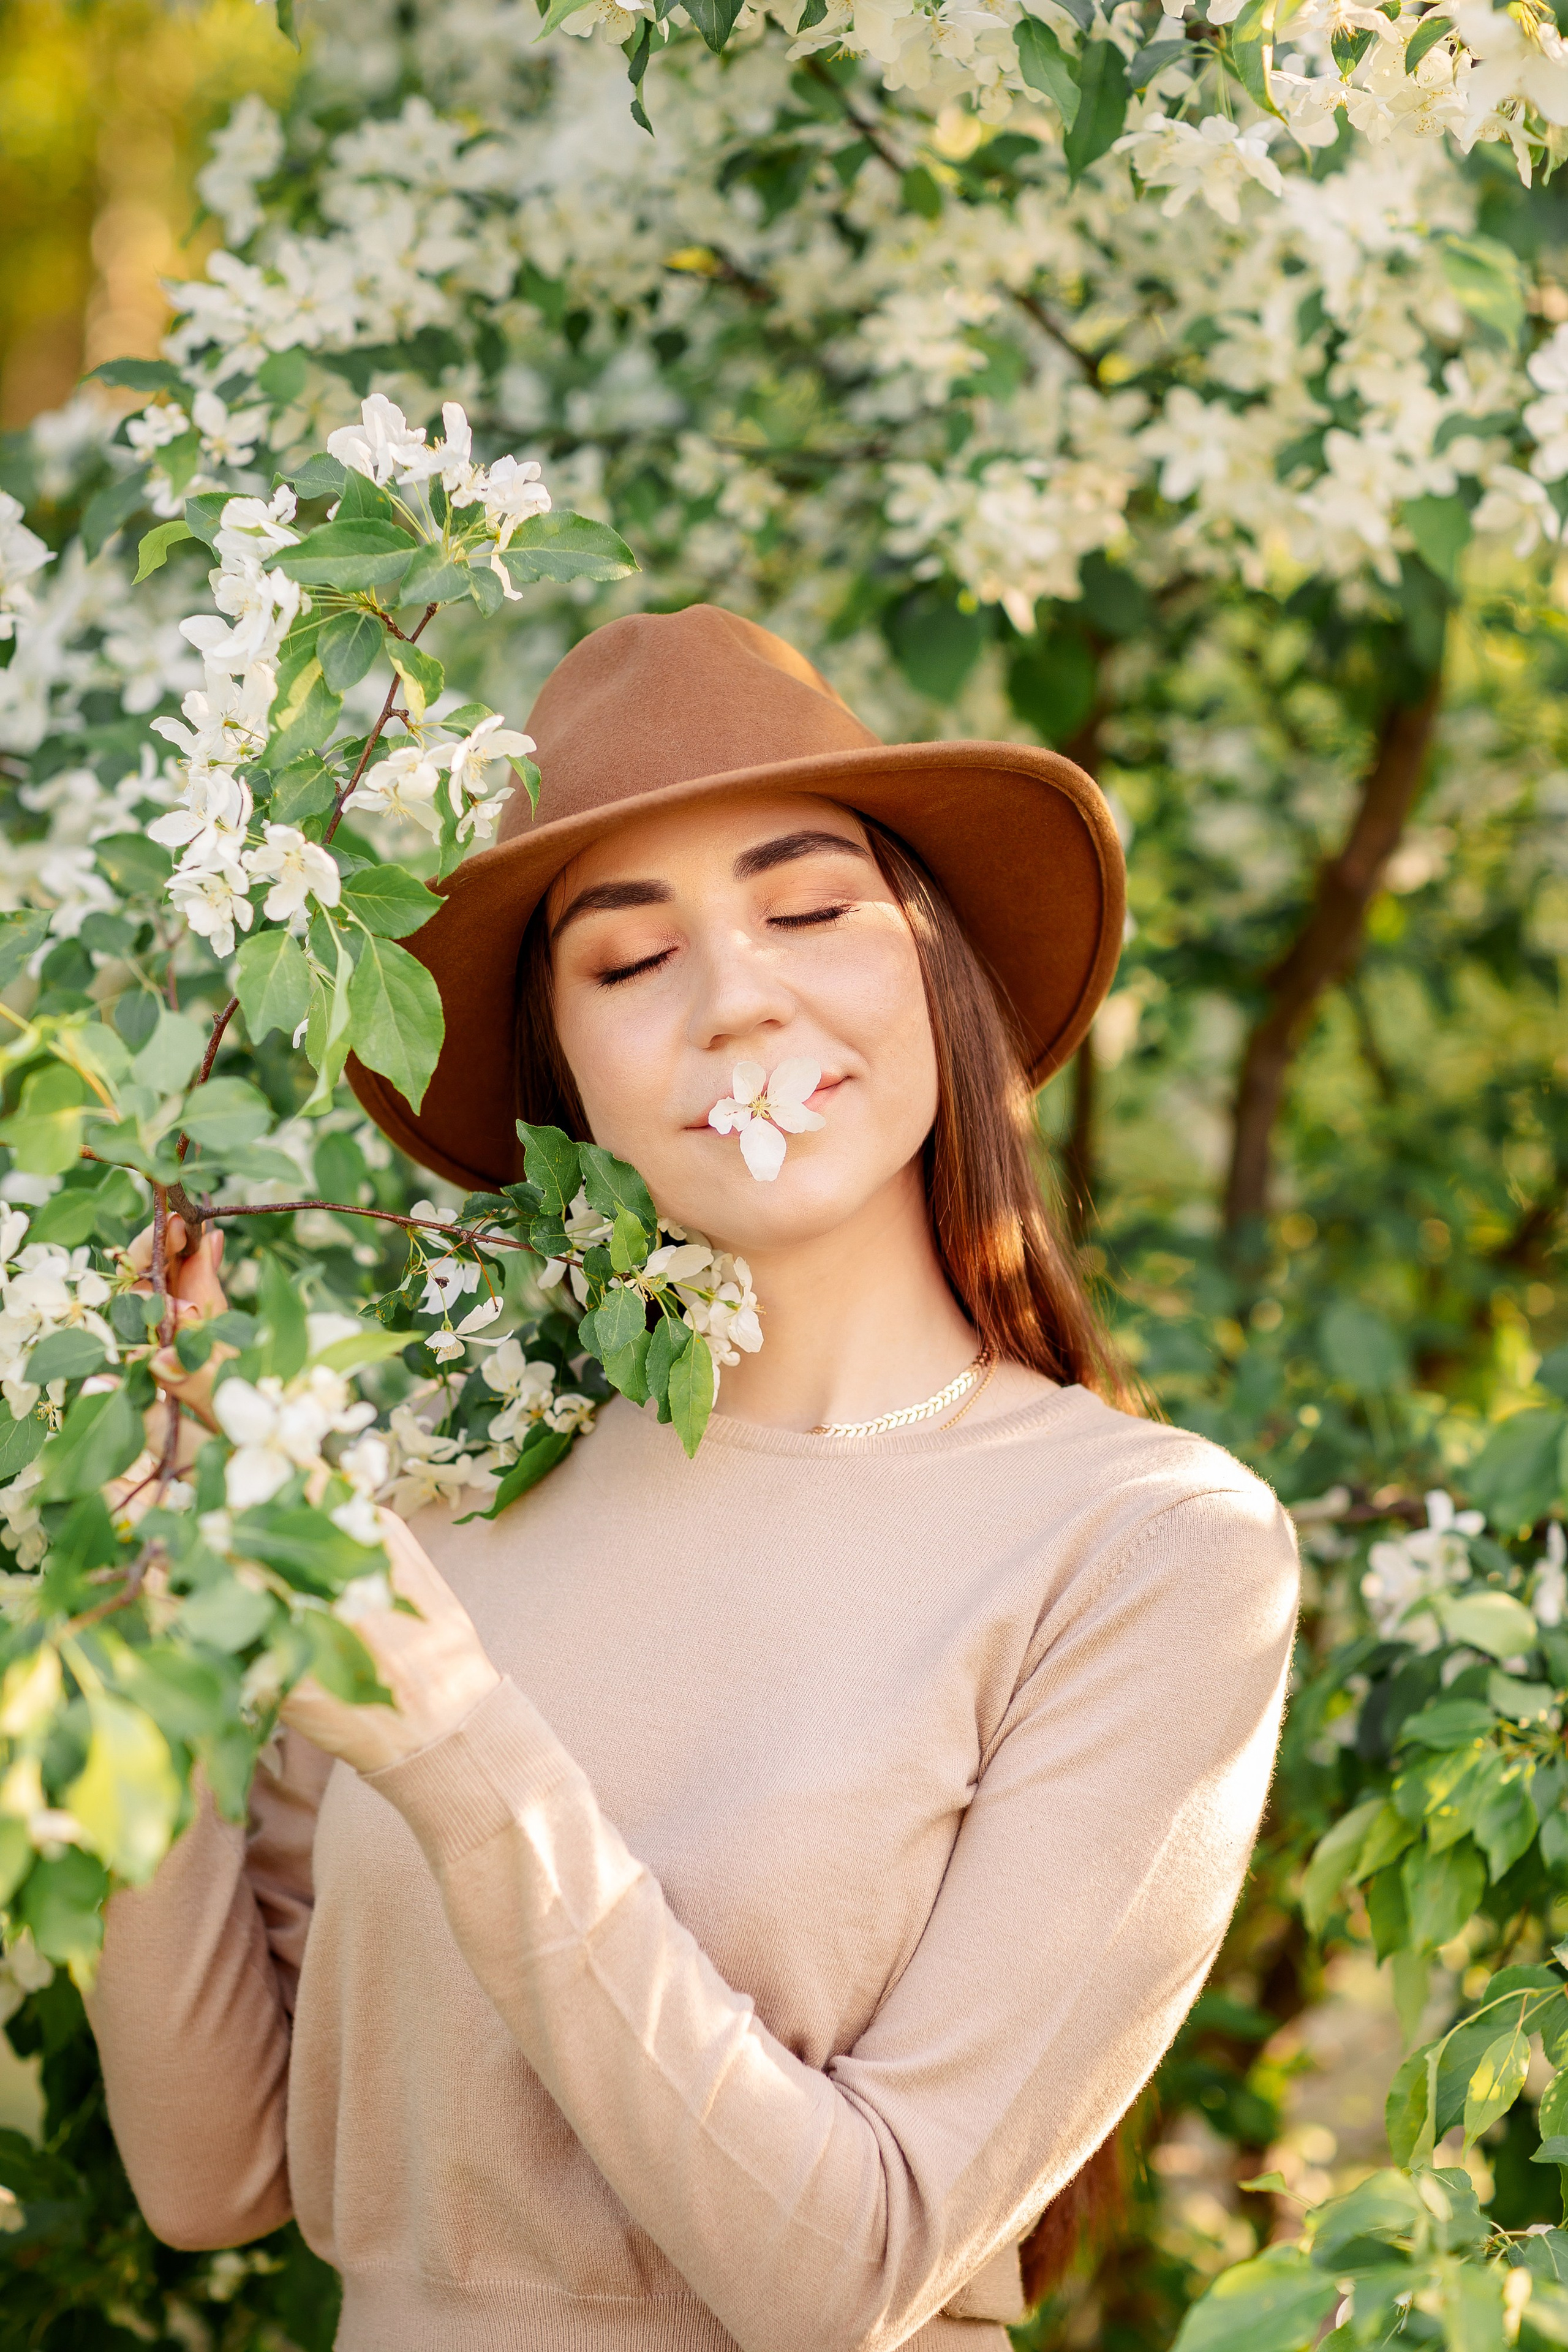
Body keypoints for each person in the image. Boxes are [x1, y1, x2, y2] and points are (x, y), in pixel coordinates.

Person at [87, 605, 1300, 2352]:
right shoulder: (442, 1513)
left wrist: (447, 1738)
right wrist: (145, 1557)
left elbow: (848, 2275)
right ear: (564, 1078)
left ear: (935, 964)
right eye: (632, 960)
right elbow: (212, 2175)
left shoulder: (1148, 1550)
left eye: (809, 913)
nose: (739, 998)